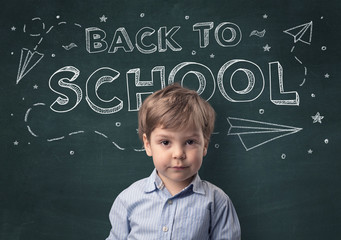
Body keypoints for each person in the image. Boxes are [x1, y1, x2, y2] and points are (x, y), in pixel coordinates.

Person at [105, 84, 241, 240]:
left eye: (190, 142)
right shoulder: (128, 199)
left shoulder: (217, 202)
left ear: (204, 145)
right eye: (165, 142)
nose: (178, 154)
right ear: (148, 145)